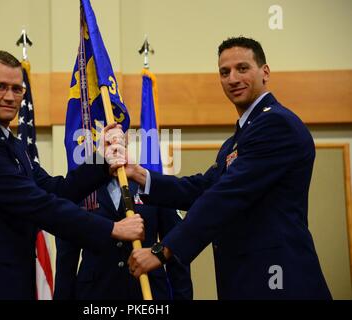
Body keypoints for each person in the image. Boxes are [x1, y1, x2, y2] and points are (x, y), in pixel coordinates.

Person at [126, 37, 332, 299]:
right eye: (225, 72)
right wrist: (140, 175)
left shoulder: (276, 125)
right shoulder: (236, 140)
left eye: (242, 68)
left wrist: (162, 250)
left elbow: (225, 196)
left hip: (279, 281)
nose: (233, 78)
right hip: (246, 280)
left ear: (265, 72)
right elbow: (202, 188)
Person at [0, 50, 144, 300]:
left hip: (9, 279)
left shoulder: (8, 142)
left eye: (17, 89)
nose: (10, 97)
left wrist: (102, 160)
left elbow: (56, 190)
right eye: (0, 87)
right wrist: (111, 228)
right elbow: (37, 204)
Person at [53, 180, 193, 300]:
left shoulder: (151, 184)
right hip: (95, 293)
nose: (115, 148)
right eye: (108, 146)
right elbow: (66, 260)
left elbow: (175, 251)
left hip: (148, 291)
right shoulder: (79, 187)